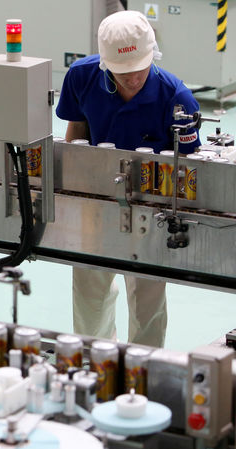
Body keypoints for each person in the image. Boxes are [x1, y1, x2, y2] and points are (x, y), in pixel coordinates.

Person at [56, 10, 200, 347]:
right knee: (90, 290)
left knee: (147, 297)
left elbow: (191, 169)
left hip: (153, 206)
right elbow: (75, 132)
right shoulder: (81, 77)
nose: (132, 80)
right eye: (123, 74)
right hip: (95, 198)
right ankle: (94, 358)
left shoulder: (176, 97)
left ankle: (145, 366)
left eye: (139, 70)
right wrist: (69, 190)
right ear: (105, 64)